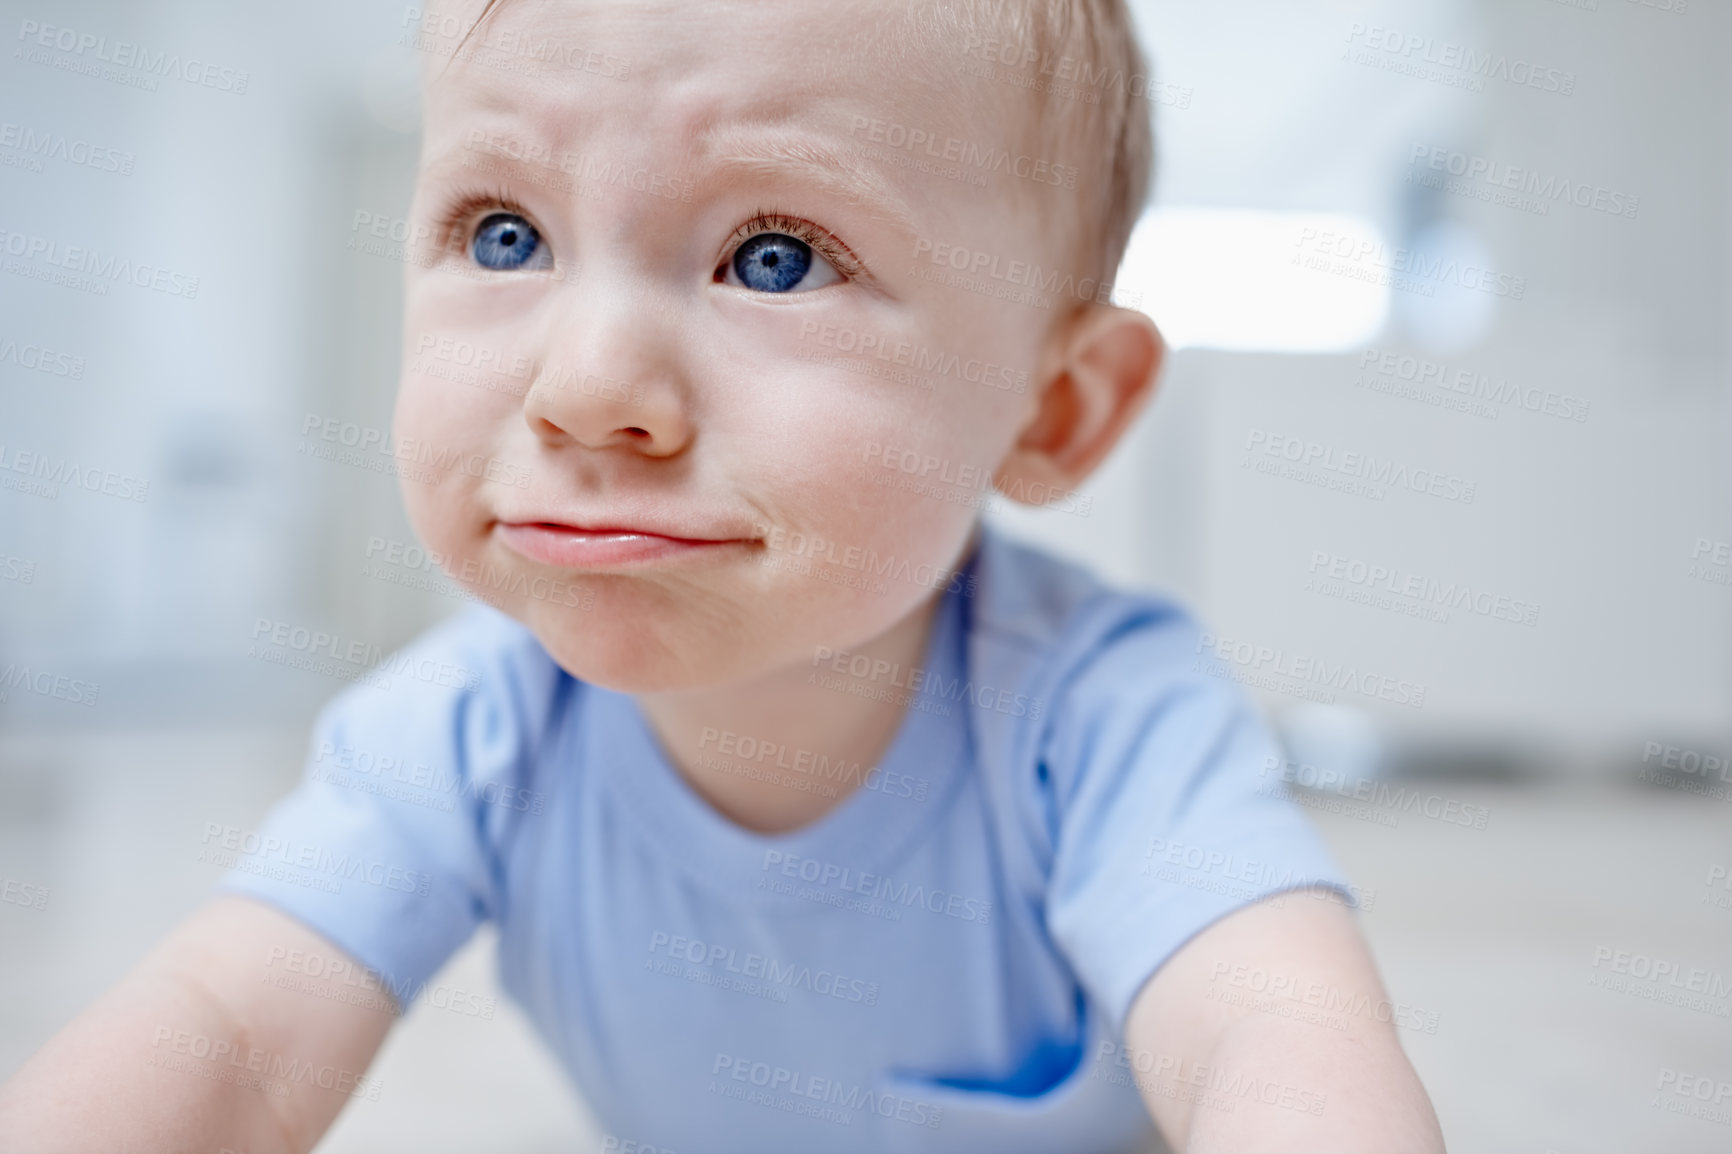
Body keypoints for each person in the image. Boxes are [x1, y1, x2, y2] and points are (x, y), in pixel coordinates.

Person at [0, 0, 1445, 1149]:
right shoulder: (463, 732)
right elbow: (234, 1041)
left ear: (1052, 406)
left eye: (773, 257)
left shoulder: (1110, 717)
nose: (588, 384)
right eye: (506, 236)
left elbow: (1277, 1036)